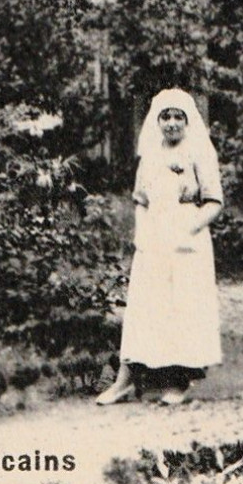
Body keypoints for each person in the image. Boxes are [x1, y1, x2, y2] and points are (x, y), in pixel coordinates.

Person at [97, 90, 224, 407]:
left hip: (187, 241)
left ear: (187, 121)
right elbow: (140, 201)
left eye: (177, 117)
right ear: (157, 122)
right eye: (165, 117)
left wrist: (188, 228)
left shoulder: (199, 154)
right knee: (145, 309)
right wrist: (142, 233)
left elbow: (213, 203)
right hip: (154, 239)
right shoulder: (150, 157)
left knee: (181, 308)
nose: (171, 124)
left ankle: (179, 381)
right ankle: (125, 380)